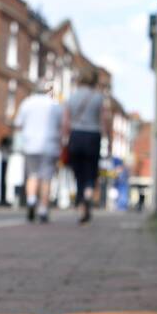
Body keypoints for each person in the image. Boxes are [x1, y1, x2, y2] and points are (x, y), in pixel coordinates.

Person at [62, 67, 111, 224]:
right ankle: (89, 196)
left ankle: (82, 209)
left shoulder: (72, 97)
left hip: (75, 136)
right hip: (93, 137)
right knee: (90, 172)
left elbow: (66, 122)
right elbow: (104, 120)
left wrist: (64, 140)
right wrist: (107, 140)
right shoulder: (98, 98)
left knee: (79, 174)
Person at [12, 78, 63, 223]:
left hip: (30, 145)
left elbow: (18, 125)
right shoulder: (55, 105)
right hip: (50, 145)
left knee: (32, 176)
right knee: (46, 179)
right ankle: (43, 209)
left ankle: (31, 201)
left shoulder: (27, 103)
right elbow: (62, 127)